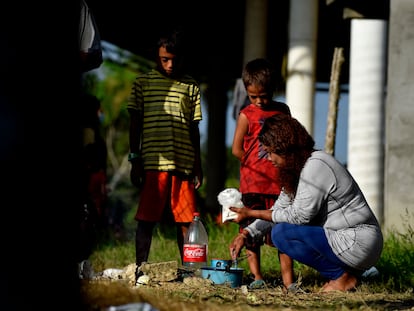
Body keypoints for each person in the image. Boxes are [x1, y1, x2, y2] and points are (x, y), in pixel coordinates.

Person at [229, 114, 384, 292]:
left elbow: (299, 216)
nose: (269, 159)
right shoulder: (297, 170)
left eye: (271, 152)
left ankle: (342, 277)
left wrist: (251, 213)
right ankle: (351, 273)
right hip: (346, 240)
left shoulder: (316, 166)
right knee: (281, 228)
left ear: (284, 148)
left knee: (282, 233)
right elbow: (278, 209)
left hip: (357, 240)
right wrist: (247, 234)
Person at [127, 28, 203, 283]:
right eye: (164, 59)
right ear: (156, 58)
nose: (170, 65)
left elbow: (195, 129)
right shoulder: (142, 83)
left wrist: (198, 165)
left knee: (186, 220)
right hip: (153, 163)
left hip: (183, 164)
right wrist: (135, 159)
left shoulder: (191, 85)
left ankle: (190, 272)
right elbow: (134, 124)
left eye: (174, 59)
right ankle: (140, 268)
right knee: (146, 219)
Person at [231, 58, 295, 290]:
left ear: (274, 90)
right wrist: (254, 164)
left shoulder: (282, 111)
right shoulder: (246, 115)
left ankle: (289, 281)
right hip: (253, 184)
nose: (259, 101)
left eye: (264, 96)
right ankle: (257, 277)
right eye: (253, 97)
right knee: (250, 231)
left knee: (282, 229)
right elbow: (236, 149)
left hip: (278, 185)